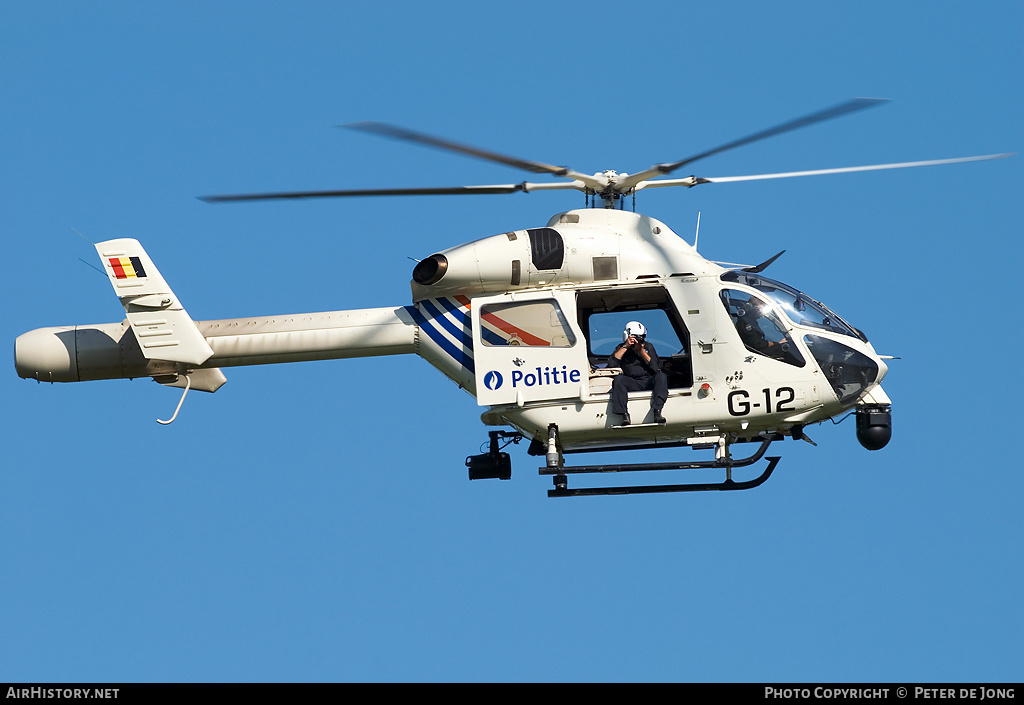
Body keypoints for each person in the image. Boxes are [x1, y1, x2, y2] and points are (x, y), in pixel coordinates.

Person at [608, 321, 668, 426]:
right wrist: (626, 346)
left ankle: (657, 411)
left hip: (648, 380)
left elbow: (657, 368)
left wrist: (642, 351)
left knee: (661, 376)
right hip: (633, 382)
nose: (638, 340)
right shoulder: (621, 348)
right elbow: (611, 364)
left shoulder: (648, 346)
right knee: (618, 379)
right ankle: (624, 414)